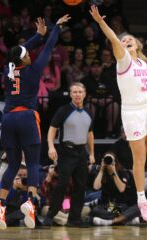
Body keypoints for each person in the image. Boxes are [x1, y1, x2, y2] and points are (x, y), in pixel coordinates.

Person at [89, 5, 147, 222]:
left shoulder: (141, 62)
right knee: (139, 158)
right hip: (132, 113)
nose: (126, 41)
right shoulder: (124, 60)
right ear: (119, 48)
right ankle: (142, 200)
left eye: (130, 40)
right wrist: (101, 22)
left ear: (137, 44)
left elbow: (144, 84)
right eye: (123, 41)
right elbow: (113, 38)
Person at [0, 15, 71, 230]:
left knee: (13, 164)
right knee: (33, 163)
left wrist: (37, 36)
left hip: (8, 117)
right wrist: (56, 29)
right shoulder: (33, 70)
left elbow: (16, 51)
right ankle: (31, 202)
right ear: (25, 58)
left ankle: (1, 203)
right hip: (26, 116)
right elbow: (49, 47)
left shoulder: (8, 68)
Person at [43, 82, 95, 228]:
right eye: (74, 92)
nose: (77, 94)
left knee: (81, 186)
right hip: (66, 151)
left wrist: (91, 153)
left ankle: (75, 219)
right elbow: (52, 129)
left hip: (82, 153)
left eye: (80, 92)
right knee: (62, 185)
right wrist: (51, 147)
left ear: (85, 94)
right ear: (71, 94)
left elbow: (90, 134)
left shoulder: (89, 112)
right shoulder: (63, 110)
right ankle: (50, 215)